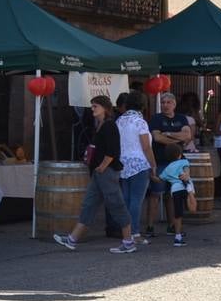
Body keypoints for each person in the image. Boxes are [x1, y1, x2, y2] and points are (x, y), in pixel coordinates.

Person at [53, 95, 136, 254]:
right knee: (89, 204)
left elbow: (112, 151)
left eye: (95, 106)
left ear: (104, 108)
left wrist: (102, 166)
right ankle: (72, 240)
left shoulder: (109, 126)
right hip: (99, 173)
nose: (92, 109)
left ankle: (128, 242)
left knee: (116, 204)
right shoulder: (100, 125)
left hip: (106, 172)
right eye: (92, 106)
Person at [147, 92, 192, 237]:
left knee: (173, 195)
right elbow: (157, 137)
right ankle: (149, 227)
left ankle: (172, 225)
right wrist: (177, 140)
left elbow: (188, 135)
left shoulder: (181, 118)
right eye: (163, 103)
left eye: (168, 102)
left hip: (177, 162)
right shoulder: (156, 118)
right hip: (160, 161)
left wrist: (168, 134)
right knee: (156, 193)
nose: (165, 105)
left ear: (174, 104)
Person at [116, 90, 156, 243]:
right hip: (139, 164)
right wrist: (153, 165)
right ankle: (135, 234)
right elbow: (146, 146)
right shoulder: (140, 122)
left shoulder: (119, 121)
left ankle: (126, 233)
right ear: (143, 105)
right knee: (136, 200)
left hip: (123, 164)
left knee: (126, 200)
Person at [155, 143, 193, 247]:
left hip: (175, 190)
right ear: (179, 155)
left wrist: (151, 175)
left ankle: (178, 236)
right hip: (186, 187)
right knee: (191, 206)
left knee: (177, 213)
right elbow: (187, 171)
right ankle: (191, 207)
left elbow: (159, 179)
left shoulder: (167, 168)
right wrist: (186, 175)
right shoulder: (184, 161)